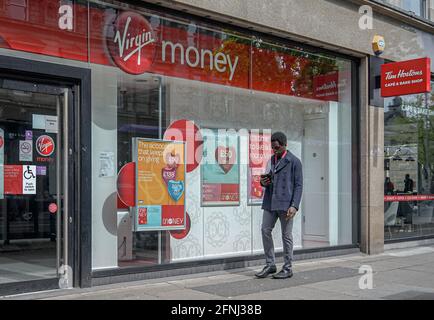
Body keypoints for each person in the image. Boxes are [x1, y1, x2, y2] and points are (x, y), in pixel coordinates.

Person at [255, 132, 303, 279]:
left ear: (284, 144)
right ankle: (270, 264)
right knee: (265, 230)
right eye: (272, 147)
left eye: (276, 147)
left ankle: (288, 268)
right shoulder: (272, 160)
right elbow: (268, 178)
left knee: (286, 235)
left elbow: (299, 185)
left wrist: (294, 206)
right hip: (270, 201)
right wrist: (263, 182)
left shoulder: (294, 161)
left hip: (286, 204)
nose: (274, 150)